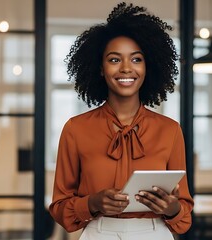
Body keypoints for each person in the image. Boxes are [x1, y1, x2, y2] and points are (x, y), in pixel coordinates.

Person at [49, 2, 194, 239]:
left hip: (155, 233)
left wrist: (172, 208)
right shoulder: (76, 129)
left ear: (149, 67)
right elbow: (60, 209)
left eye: (136, 59)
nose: (126, 68)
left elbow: (184, 216)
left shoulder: (170, 130)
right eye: (115, 60)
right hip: (98, 233)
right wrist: (92, 203)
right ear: (100, 68)